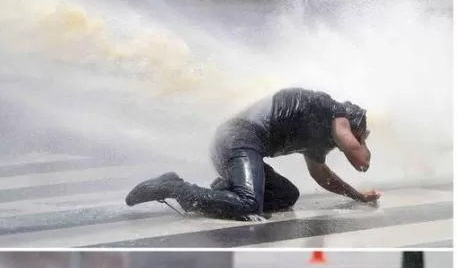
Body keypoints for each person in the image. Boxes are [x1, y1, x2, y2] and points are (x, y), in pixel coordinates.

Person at [124, 88, 379, 221]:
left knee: (286, 195)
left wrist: (357, 196)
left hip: (239, 144)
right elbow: (360, 160)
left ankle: (223, 191)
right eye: (359, 134)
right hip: (237, 138)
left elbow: (323, 177)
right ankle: (174, 186)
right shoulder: (335, 111)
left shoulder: (319, 137)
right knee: (248, 204)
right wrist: (362, 140)